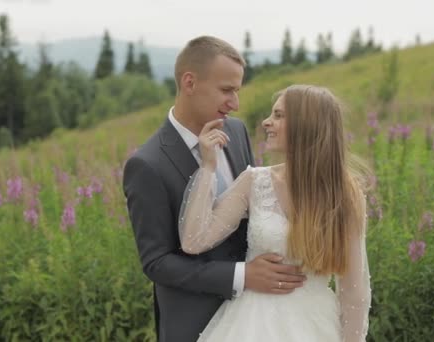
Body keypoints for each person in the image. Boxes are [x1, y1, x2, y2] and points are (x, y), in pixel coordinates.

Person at [123, 36, 306, 342]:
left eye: (237, 91)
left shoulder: (235, 130)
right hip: (194, 322)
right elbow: (157, 262)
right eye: (227, 90)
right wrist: (242, 275)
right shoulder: (147, 164)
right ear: (190, 82)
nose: (235, 103)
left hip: (262, 317)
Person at [179, 84, 371, 341]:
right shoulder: (254, 182)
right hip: (250, 325)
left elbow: (354, 292)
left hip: (315, 326)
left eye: (279, 115)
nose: (266, 122)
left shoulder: (345, 194)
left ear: (306, 124)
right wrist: (208, 167)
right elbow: (194, 241)